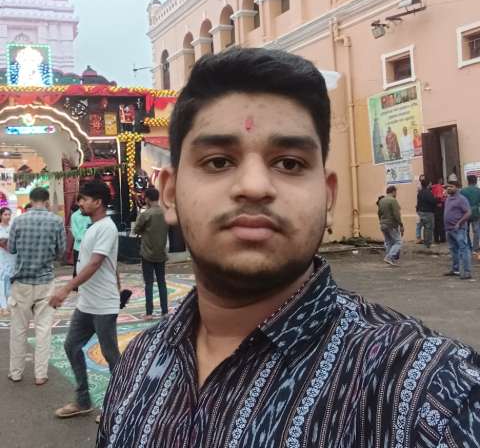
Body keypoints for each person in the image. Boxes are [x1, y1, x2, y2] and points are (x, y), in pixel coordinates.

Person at [97, 48, 480, 447]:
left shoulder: (427, 392)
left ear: (328, 196)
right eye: (218, 162)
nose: (254, 187)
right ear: (170, 193)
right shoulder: (137, 364)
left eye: (290, 163)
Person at [50, 180, 120, 418]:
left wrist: (66, 288)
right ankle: (83, 401)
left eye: (84, 199)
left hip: (103, 305)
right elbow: (108, 265)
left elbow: (95, 263)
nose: (80, 203)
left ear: (98, 202)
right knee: (71, 346)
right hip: (87, 304)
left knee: (111, 356)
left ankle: (118, 407)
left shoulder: (106, 227)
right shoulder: (93, 227)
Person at [8, 187, 65, 384]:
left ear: (31, 200)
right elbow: (61, 252)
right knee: (43, 329)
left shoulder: (18, 221)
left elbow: (11, 248)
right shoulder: (56, 221)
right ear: (47, 201)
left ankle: (16, 372)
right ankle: (40, 374)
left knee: (18, 329)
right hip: (45, 281)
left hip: (22, 282)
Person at [134, 187, 168, 320]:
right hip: (161, 252)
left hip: (147, 253)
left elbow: (136, 229)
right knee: (162, 282)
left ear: (147, 199)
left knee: (149, 283)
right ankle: (165, 311)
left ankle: (149, 313)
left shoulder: (146, 214)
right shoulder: (165, 213)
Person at [443, 179, 472, 279]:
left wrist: (459, 223)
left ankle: (467, 272)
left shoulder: (461, 199)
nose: (448, 188)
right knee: (453, 250)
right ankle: (456, 270)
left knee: (463, 249)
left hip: (459, 229)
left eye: (451, 186)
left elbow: (468, 212)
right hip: (449, 229)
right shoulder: (448, 198)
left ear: (457, 188)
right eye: (448, 187)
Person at [377, 185, 404, 266]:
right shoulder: (393, 200)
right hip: (391, 224)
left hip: (383, 224)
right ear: (393, 191)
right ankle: (389, 257)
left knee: (389, 242)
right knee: (398, 242)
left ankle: (390, 259)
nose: (396, 194)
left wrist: (381, 221)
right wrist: (401, 224)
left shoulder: (381, 201)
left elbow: (379, 213)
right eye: (396, 192)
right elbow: (396, 214)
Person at [70, 199, 91, 278]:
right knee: (77, 268)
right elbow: (75, 231)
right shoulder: (74, 216)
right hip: (78, 246)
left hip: (90, 245)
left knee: (89, 267)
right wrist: (84, 237)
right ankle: (76, 283)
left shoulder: (91, 213)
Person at [461, 174, 480, 254]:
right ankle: (475, 248)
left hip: (465, 213)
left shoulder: (463, 191)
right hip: (476, 213)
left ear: (468, 181)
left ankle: (468, 247)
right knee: (476, 231)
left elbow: (460, 203)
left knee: (466, 231)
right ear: (475, 181)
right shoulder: (478, 190)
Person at [0, 207, 14, 316]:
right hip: (1, 257)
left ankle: (8, 305)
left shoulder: (12, 228)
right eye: (5, 214)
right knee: (1, 282)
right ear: (0, 216)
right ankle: (3, 307)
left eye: (9, 214)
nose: (8, 217)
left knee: (9, 283)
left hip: (12, 258)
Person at [415, 178, 436, 249]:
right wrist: (436, 199)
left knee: (425, 227)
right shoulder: (428, 192)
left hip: (421, 212)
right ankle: (428, 243)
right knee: (429, 228)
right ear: (428, 184)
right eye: (430, 183)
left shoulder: (420, 192)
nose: (431, 185)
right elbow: (432, 201)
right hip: (428, 212)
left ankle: (426, 243)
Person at [431, 177, 446, 244]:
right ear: (440, 181)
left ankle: (436, 239)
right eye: (441, 180)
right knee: (441, 223)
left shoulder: (433, 187)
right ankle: (442, 238)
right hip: (440, 206)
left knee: (436, 224)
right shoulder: (440, 187)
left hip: (434, 207)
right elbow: (439, 197)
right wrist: (440, 202)